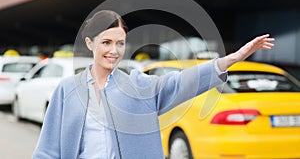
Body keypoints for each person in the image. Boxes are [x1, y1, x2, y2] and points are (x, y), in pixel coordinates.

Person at [32, 10, 275, 159]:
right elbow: (47, 150)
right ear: (89, 43)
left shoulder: (139, 87)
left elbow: (182, 82)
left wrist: (229, 60)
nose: (113, 51)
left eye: (120, 43)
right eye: (106, 42)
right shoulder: (67, 90)